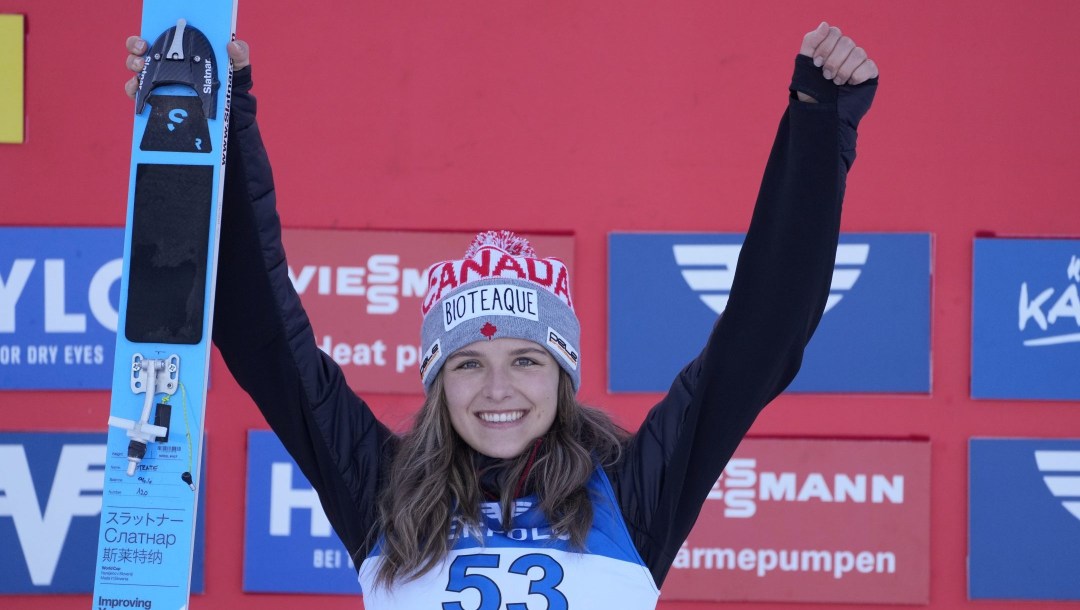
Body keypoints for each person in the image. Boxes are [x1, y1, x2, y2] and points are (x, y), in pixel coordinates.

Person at [124, 20, 877, 608]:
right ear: (436, 380)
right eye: (467, 364)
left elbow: (762, 333)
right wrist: (214, 129)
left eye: (525, 359)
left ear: (561, 373)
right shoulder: (380, 490)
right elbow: (266, 340)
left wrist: (819, 123)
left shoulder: (634, 494)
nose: (497, 390)